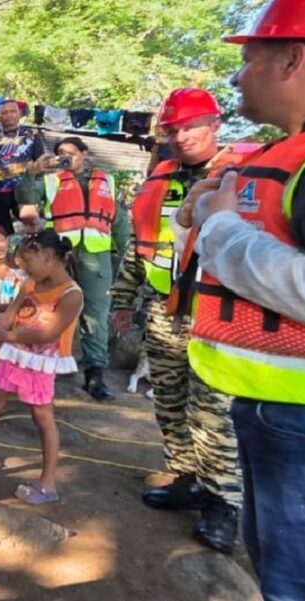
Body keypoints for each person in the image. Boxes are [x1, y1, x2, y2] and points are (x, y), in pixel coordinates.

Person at [180, 3, 305, 595]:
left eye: (249, 59)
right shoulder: (280, 157)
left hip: (296, 417)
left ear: (293, 59)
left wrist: (221, 227)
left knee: (291, 581)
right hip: (272, 407)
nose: (235, 77)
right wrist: (198, 217)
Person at [109, 87, 247, 553]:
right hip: (163, 308)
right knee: (168, 399)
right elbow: (141, 243)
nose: (181, 136)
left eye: (190, 126)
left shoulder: (241, 173)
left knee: (213, 412)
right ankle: (186, 476)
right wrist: (123, 297)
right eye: (173, 130)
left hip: (217, 312)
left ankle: (222, 503)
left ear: (215, 125)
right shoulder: (161, 178)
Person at [0, 231, 84, 505]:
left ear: (48, 257)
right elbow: (9, 317)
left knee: (42, 417)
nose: (23, 268)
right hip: (13, 354)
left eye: (28, 262)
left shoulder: (71, 295)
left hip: (40, 362)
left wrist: (7, 336)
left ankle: (48, 483)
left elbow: (48, 333)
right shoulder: (30, 283)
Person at [16, 136, 129, 400]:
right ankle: (42, 365)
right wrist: (32, 173)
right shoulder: (51, 179)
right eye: (61, 153)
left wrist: (126, 249)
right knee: (47, 308)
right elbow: (25, 196)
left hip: (96, 255)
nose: (66, 156)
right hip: (59, 255)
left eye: (71, 152)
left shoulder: (107, 180)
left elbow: (118, 218)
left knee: (95, 314)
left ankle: (94, 375)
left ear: (84, 153)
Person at [0, 98, 46, 235]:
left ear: (19, 114)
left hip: (25, 192)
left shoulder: (32, 136)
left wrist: (41, 193)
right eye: (4, 112)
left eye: (12, 111)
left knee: (34, 230)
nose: (9, 115)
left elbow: (41, 164)